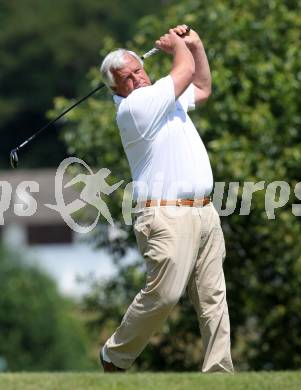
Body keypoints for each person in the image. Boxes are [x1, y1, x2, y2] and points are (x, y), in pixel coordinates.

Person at [99, 25, 234, 373]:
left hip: (203, 211)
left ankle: (220, 374)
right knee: (165, 295)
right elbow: (185, 71)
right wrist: (178, 47)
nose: (137, 79)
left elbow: (201, 87)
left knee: (213, 298)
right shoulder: (136, 107)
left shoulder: (164, 97)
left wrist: (196, 45)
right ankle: (114, 356)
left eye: (138, 70)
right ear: (117, 89)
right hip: (165, 216)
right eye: (127, 78)